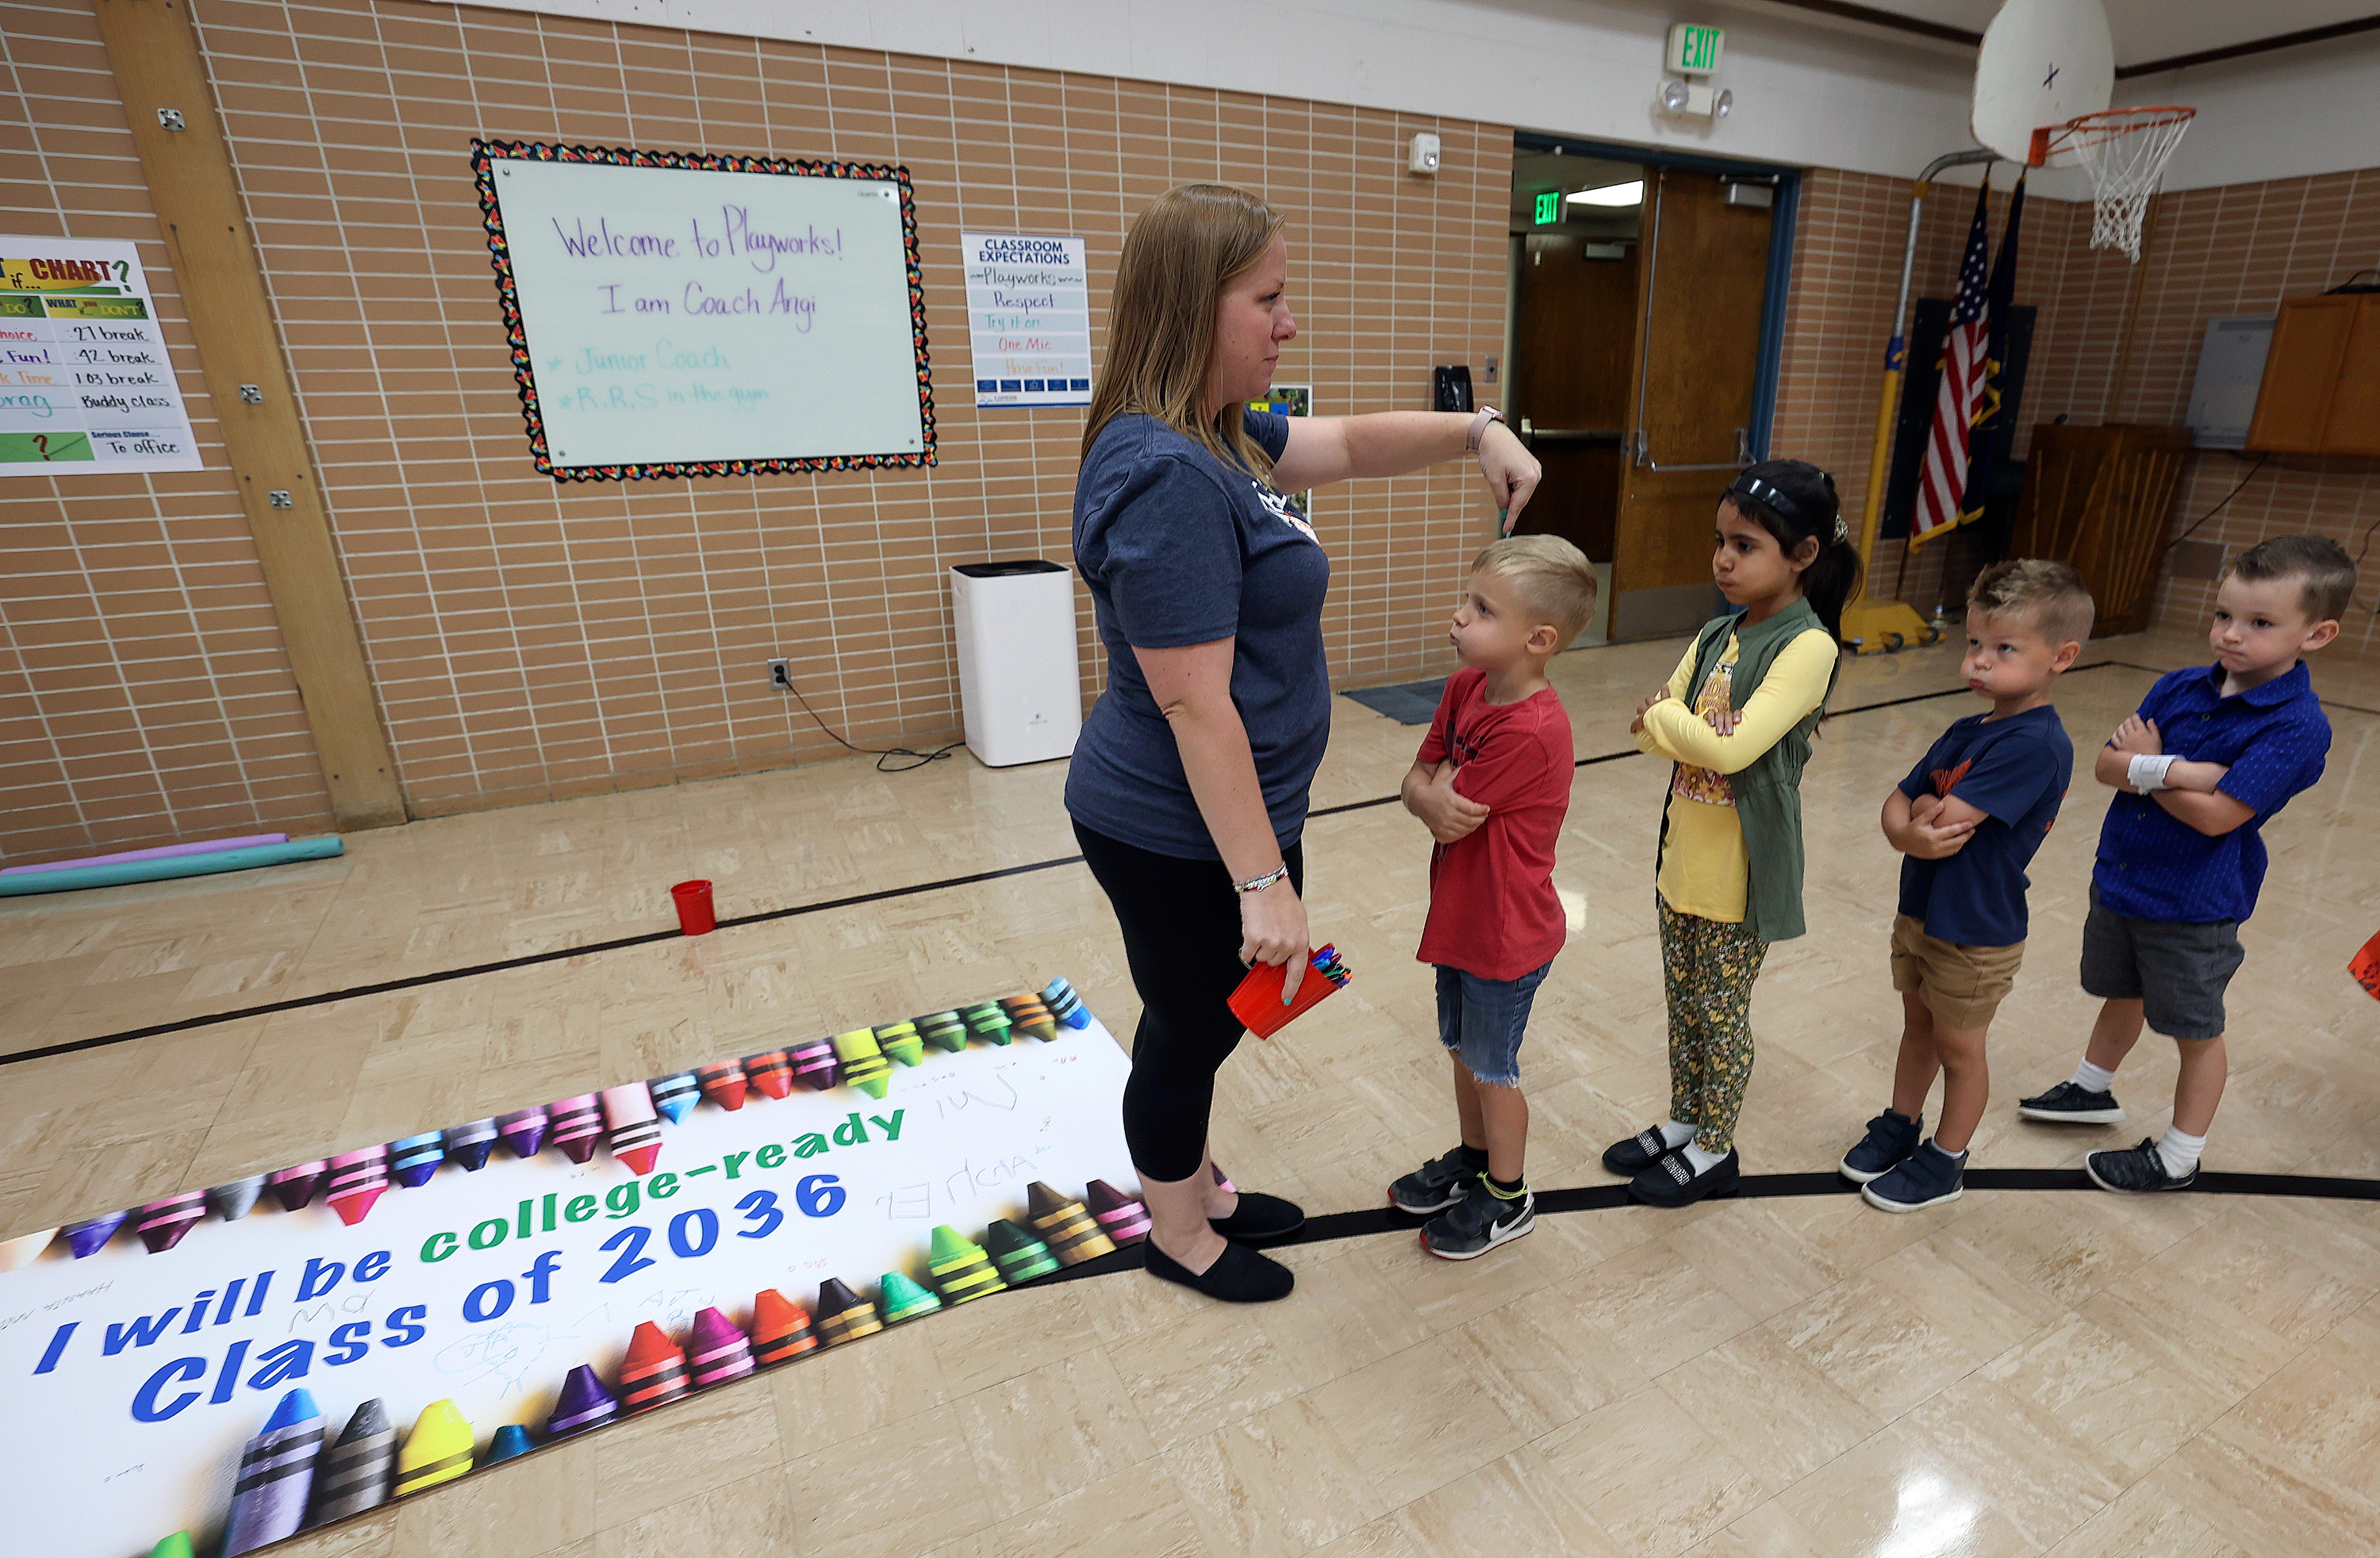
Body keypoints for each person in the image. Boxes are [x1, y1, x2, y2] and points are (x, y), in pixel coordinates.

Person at [1067, 183, 1542, 1302]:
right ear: (1196, 308)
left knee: (1211, 1018)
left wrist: (1480, 429)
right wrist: (1263, 881)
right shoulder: (1168, 476)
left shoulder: (1217, 435)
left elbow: (1348, 442)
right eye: (1268, 299)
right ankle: (1176, 1233)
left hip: (1232, 817)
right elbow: (1194, 706)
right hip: (1174, 824)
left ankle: (1196, 1188)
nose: (1290, 323)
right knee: (1190, 1028)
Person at [2016, 535, 2351, 1192]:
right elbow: (2107, 765)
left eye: (2259, 624)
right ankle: (2092, 1090)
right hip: (2123, 877)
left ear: (2317, 634)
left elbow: (2219, 817)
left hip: (2195, 904)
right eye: (2224, 615)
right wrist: (2181, 771)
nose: (2230, 635)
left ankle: (2178, 1156)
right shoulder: (2178, 687)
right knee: (2124, 992)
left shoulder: (2298, 727)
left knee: (2196, 1031)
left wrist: (2147, 769)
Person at [1601, 460, 1861, 1207]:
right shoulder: (1719, 630)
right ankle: (1685, 1120)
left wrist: (1674, 721)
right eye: (1721, 541)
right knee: (1683, 1004)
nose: (1723, 559)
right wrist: (1684, 727)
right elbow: (1661, 735)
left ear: (1804, 555)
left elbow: (1724, 748)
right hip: (1683, 857)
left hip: (1739, 873)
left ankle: (1716, 1147)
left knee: (1721, 1016)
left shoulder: (1809, 647)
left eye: (1745, 546)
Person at [1839, 560, 2093, 1212]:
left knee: (1959, 1045)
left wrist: (1917, 821)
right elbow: (1900, 805)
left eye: (2004, 649)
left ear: (2061, 657)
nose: (1980, 662)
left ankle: (1946, 1161)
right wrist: (1909, 830)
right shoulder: (1966, 732)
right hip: (1923, 910)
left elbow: (1941, 818)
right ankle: (1901, 1123)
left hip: (1977, 928)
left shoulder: (2035, 744)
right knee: (1917, 1025)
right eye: (1976, 643)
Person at [1388, 535, 1598, 1258]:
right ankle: (1475, 1163)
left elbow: (1450, 797)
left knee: (1492, 1068)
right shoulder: (1465, 688)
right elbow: (1421, 782)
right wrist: (1424, 793)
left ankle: (1508, 1197)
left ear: (1538, 639)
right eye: (1467, 600)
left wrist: (1430, 791)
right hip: (1461, 919)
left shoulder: (1535, 731)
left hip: (1506, 933)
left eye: (1482, 609)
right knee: (1460, 1050)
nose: (1459, 617)